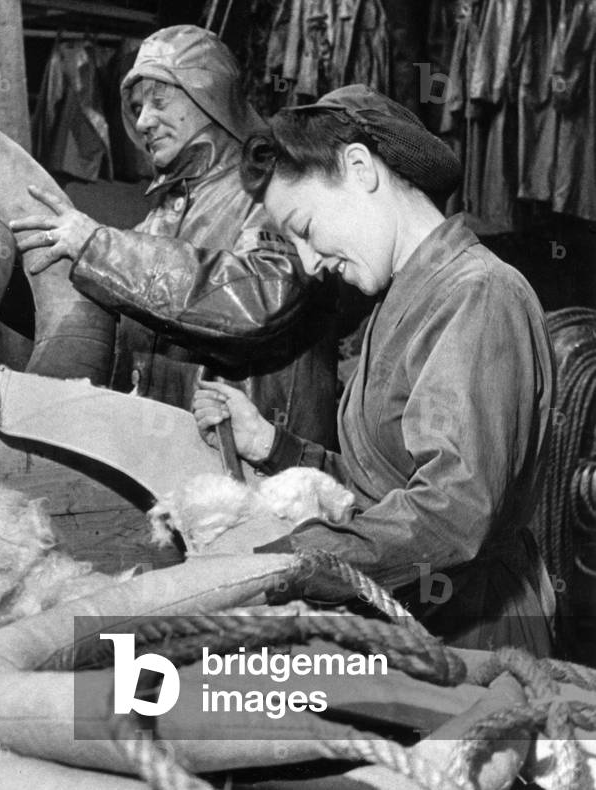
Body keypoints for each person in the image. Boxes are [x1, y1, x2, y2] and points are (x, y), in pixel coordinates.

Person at [193, 84, 556, 655]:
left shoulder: (477, 294)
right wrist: (273, 445)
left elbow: (451, 512)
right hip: (417, 615)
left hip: (476, 635)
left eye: (306, 229)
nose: (309, 264)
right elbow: (385, 488)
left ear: (360, 168)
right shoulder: (399, 299)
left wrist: (283, 563)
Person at [11, 25, 338, 449]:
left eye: (159, 101)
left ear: (211, 96)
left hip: (265, 472)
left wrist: (97, 246)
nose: (144, 121)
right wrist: (5, 252)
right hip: (182, 465)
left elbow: (261, 299)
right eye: (136, 107)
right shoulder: (164, 216)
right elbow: (92, 318)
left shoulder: (271, 190)